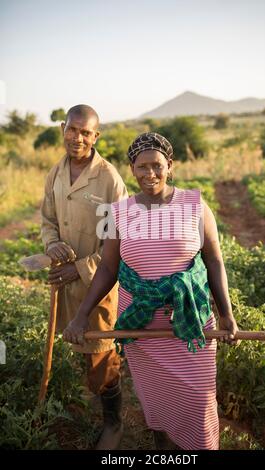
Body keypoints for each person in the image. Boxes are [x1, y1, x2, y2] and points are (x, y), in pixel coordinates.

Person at [63, 132, 239, 450]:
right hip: (143, 333)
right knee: (158, 411)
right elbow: (107, 269)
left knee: (199, 402)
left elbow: (214, 261)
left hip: (190, 328)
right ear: (132, 168)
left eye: (157, 165)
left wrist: (226, 314)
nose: (150, 174)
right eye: (141, 167)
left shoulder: (195, 206)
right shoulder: (120, 212)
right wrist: (80, 316)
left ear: (170, 166)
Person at [41, 104, 128, 450]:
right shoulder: (56, 172)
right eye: (72, 130)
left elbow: (116, 244)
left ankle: (115, 423)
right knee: (81, 348)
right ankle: (97, 401)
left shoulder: (109, 179)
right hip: (65, 285)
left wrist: (77, 267)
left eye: (85, 132)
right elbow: (48, 219)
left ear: (96, 136)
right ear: (63, 128)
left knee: (102, 355)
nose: (77, 138)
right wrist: (51, 244)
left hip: (98, 283)